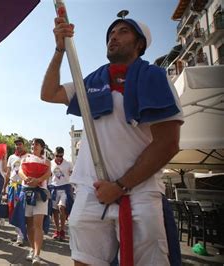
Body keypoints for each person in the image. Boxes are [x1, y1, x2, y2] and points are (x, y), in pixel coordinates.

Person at [41, 16, 183, 265]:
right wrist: (59, 49)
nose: (113, 36)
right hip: (89, 190)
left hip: (139, 193)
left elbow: (168, 143)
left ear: (140, 43)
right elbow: (49, 93)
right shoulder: (92, 81)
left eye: (123, 31)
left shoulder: (156, 77)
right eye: (111, 33)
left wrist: (120, 186)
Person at [18, 138, 51, 265]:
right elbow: (20, 171)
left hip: (40, 194)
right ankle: (32, 249)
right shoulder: (25, 159)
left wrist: (38, 180)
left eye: (37, 144)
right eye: (32, 144)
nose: (34, 146)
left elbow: (47, 174)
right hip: (26, 192)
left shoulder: (46, 161)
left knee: (38, 225)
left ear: (42, 147)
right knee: (29, 225)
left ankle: (37, 254)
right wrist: (27, 179)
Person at [5, 137, 28, 246]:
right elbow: (8, 173)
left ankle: (21, 235)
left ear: (23, 145)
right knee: (12, 210)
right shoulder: (11, 157)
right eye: (16, 144)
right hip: (12, 186)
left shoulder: (28, 157)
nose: (18, 146)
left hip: (23, 187)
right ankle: (19, 233)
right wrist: (4, 188)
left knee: (22, 211)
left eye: (20, 144)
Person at [48, 146, 73, 242]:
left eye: (60, 156)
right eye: (57, 156)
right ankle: (57, 230)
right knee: (54, 211)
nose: (58, 158)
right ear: (54, 154)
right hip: (54, 189)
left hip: (65, 188)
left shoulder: (68, 164)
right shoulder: (50, 164)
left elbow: (73, 174)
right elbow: (48, 176)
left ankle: (62, 230)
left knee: (61, 207)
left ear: (63, 155)